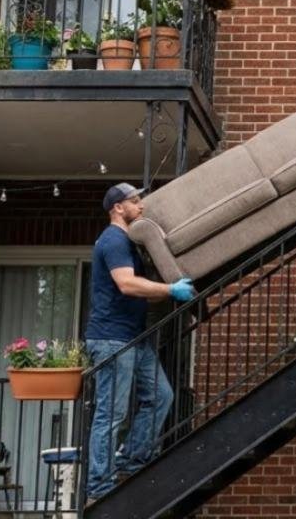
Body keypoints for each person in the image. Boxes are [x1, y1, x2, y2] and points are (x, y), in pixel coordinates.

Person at [85, 183, 196, 502]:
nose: (141, 205)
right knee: (111, 413)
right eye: (135, 201)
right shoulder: (114, 240)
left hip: (133, 335)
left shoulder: (128, 241)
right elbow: (127, 284)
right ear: (118, 208)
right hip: (111, 338)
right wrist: (170, 290)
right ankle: (98, 484)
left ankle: (131, 459)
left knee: (161, 395)